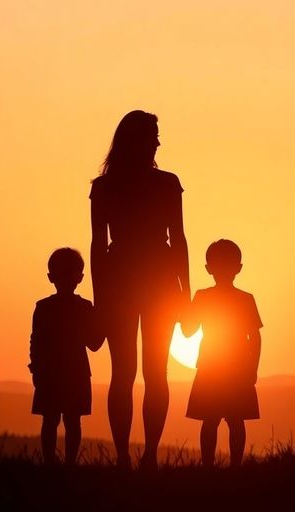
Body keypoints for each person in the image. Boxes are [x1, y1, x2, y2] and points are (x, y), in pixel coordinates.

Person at [90, 110, 191, 469]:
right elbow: (177, 241)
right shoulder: (162, 183)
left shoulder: (107, 187)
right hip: (151, 281)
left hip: (131, 281)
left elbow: (99, 248)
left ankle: (134, 456)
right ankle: (139, 455)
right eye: (153, 135)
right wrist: (186, 293)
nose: (158, 141)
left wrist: (100, 298)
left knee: (134, 373)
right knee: (144, 373)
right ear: (136, 140)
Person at [181, 239, 263, 467]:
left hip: (213, 366)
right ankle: (233, 466)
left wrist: (181, 308)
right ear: (239, 267)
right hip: (234, 367)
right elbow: (255, 338)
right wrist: (252, 367)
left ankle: (209, 465)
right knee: (233, 421)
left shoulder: (203, 297)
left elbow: (187, 332)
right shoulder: (245, 299)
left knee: (211, 420)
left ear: (208, 268)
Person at [27, 248, 105, 465]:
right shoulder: (84, 308)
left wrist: (36, 369)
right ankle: (68, 464)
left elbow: (36, 342)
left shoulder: (43, 308)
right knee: (71, 421)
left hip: (51, 373)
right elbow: (96, 344)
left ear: (50, 277)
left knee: (51, 420)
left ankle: (50, 464)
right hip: (74, 373)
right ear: (80, 277)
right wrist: (105, 320)